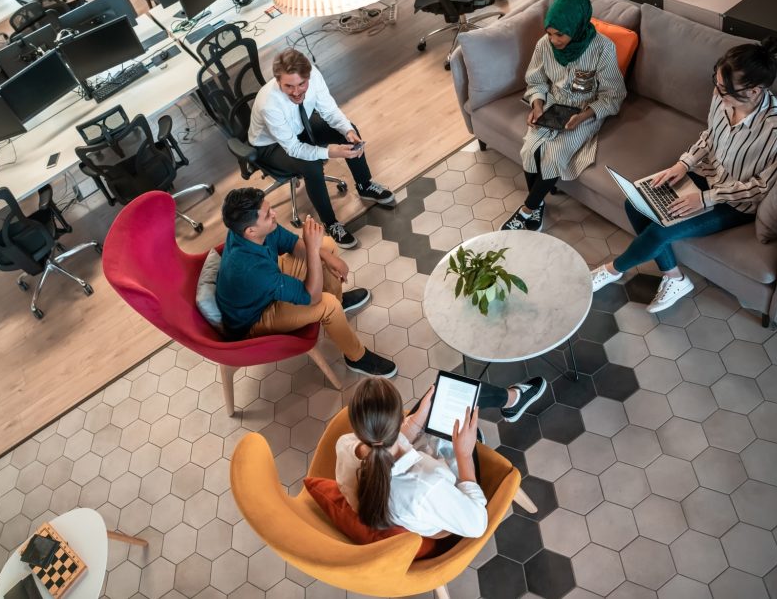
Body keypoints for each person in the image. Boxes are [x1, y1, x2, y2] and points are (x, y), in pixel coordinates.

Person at [591, 39, 777, 313]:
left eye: (724, 89)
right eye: (717, 82)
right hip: (707, 174)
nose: (717, 91)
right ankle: (675, 278)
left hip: (735, 202)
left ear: (754, 91)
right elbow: (710, 136)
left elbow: (761, 188)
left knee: (660, 231)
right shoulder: (722, 98)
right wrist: (683, 165)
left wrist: (705, 199)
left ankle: (611, 270)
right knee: (635, 204)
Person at [334, 375, 547, 537]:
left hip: (417, 494)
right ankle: (512, 400)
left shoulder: (346, 444)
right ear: (399, 420)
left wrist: (418, 417)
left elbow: (389, 443)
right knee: (462, 393)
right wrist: (464, 454)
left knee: (441, 393)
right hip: (442, 506)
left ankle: (512, 400)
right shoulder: (426, 485)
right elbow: (477, 524)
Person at [216, 187, 397, 377]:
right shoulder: (250, 269)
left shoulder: (251, 230)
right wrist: (312, 247)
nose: (274, 214)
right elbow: (312, 297)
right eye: (268, 214)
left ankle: (340, 305)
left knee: (326, 245)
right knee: (328, 304)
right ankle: (356, 358)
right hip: (255, 317)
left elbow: (293, 244)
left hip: (266, 283)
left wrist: (326, 255)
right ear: (251, 231)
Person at [501, 0, 627, 232]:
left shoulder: (603, 48)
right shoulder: (544, 45)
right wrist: (537, 105)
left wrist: (584, 116)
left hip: (585, 111)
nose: (553, 40)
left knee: (554, 155)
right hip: (553, 105)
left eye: (560, 34)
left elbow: (613, 95)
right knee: (529, 150)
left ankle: (526, 210)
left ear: (576, 27)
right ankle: (537, 206)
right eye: (550, 33)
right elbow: (536, 80)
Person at [248, 48, 395, 249]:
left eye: (302, 84)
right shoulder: (269, 104)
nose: (296, 92)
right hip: (270, 145)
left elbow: (329, 110)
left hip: (301, 125)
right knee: (311, 165)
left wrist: (347, 130)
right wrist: (331, 152)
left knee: (348, 131)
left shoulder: (314, 75)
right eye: (288, 86)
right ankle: (330, 223)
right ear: (278, 81)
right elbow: (294, 148)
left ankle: (365, 186)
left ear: (308, 76)